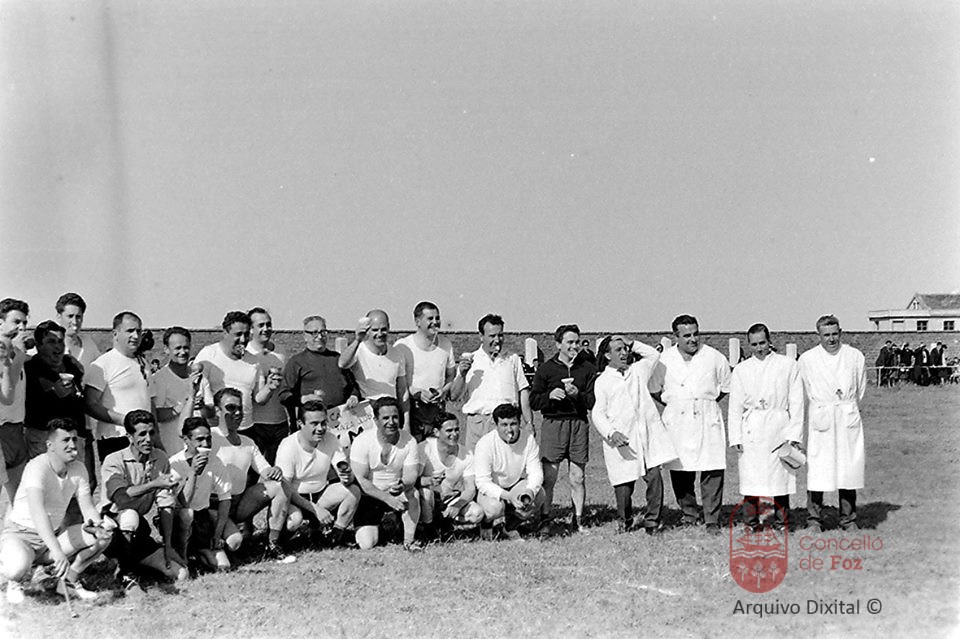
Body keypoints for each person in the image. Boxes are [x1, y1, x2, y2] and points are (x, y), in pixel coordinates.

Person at [0, 418, 112, 604]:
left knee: (102, 537)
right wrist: (57, 552)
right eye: (65, 440)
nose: (72, 445)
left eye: (74, 439)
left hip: (52, 536)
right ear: (50, 445)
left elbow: (87, 507)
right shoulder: (37, 467)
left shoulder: (79, 468)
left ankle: (68, 581)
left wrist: (97, 525)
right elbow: (38, 513)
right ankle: (14, 580)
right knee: (17, 567)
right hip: (21, 535)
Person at [650, 315, 731, 533]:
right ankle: (689, 513)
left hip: (707, 417)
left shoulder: (714, 357)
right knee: (681, 469)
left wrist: (704, 402)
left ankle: (712, 518)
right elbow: (654, 389)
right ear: (676, 336)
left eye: (696, 334)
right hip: (678, 420)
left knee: (712, 467)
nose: (693, 339)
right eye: (687, 335)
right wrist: (677, 403)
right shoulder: (664, 360)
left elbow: (725, 387)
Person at [591, 336, 677, 535]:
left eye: (625, 349)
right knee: (624, 485)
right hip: (623, 440)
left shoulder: (638, 371)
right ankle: (625, 520)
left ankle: (652, 521)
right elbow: (598, 413)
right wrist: (611, 433)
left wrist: (632, 343)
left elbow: (654, 354)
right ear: (607, 355)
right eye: (618, 350)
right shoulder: (603, 381)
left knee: (654, 478)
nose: (624, 353)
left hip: (646, 437)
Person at [100, 410, 188, 592]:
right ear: (129, 437)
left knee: (181, 574)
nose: (148, 439)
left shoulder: (160, 458)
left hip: (136, 530)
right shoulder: (114, 460)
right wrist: (154, 484)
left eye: (151, 433)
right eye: (142, 434)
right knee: (130, 516)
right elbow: (121, 497)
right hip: (109, 527)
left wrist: (168, 545)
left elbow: (165, 505)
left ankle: (129, 561)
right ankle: (126, 573)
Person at [727, 324, 804, 530]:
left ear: (769, 341)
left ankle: (782, 522)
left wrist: (794, 434)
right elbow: (735, 406)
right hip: (752, 429)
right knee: (751, 478)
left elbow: (797, 402)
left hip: (779, 427)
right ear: (748, 345)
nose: (759, 348)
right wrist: (736, 437)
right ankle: (751, 522)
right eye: (754, 345)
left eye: (762, 343)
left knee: (780, 478)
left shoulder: (787, 365)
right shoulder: (742, 369)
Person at [798, 315, 866, 532]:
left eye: (835, 334)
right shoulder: (807, 359)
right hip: (822, 418)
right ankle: (814, 519)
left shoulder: (854, 356)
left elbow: (860, 389)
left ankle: (848, 519)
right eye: (826, 335)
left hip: (846, 415)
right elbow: (802, 392)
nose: (831, 339)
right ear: (818, 335)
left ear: (841, 332)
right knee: (818, 469)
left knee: (848, 468)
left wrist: (845, 406)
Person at [210, 388, 291, 562]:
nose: (237, 413)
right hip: (214, 505)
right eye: (230, 408)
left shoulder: (248, 442)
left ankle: (273, 543)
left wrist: (275, 471)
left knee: (279, 486)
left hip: (238, 503)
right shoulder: (209, 436)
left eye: (240, 408)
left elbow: (265, 470)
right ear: (217, 410)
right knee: (234, 543)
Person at [529, 324, 596, 532]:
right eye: (570, 342)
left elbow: (593, 401)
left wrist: (578, 395)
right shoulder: (546, 369)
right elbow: (533, 401)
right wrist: (549, 396)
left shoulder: (587, 368)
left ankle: (578, 520)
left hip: (578, 424)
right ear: (558, 344)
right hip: (553, 424)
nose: (574, 346)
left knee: (578, 477)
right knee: (549, 477)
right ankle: (545, 519)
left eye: (577, 342)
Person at [195, 311, 280, 459]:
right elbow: (198, 389)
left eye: (246, 334)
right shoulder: (209, 355)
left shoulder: (253, 361)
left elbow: (259, 398)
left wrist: (270, 387)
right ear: (225, 332)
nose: (243, 340)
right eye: (238, 334)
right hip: (216, 431)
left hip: (246, 430)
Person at [275, 399, 359, 547]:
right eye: (314, 424)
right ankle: (280, 541)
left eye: (323, 423)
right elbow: (284, 488)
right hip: (294, 498)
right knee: (294, 521)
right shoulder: (288, 445)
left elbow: (343, 469)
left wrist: (347, 476)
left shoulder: (331, 439)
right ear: (300, 424)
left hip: (320, 494)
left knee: (353, 491)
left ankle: (334, 536)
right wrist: (316, 509)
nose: (320, 428)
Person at [449, 314, 533, 451]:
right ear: (481, 336)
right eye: (492, 336)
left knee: (506, 462)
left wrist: (529, 423)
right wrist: (462, 375)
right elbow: (454, 396)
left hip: (505, 423)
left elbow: (523, 391)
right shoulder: (471, 360)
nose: (497, 340)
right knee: (476, 463)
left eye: (500, 335)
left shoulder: (512, 359)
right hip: (478, 424)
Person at [349, 397, 421, 550]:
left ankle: (409, 541)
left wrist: (403, 485)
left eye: (395, 417)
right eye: (386, 418)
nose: (391, 422)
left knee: (413, 493)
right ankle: (383, 526)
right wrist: (387, 498)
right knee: (366, 544)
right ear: (375, 420)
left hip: (396, 492)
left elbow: (411, 475)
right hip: (370, 496)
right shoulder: (362, 441)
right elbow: (362, 480)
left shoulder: (409, 441)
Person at [84, 311, 155, 461]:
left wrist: (155, 435)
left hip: (144, 438)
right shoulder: (103, 364)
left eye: (138, 331)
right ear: (115, 334)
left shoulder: (143, 363)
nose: (135, 336)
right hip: (115, 439)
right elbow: (90, 404)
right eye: (130, 331)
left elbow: (150, 402)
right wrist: (126, 421)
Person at [473, 404, 546, 540]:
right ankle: (487, 523)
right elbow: (482, 481)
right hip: (493, 488)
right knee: (494, 508)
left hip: (514, 484)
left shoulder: (529, 439)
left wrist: (530, 491)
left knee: (539, 494)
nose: (509, 429)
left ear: (519, 423)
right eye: (504, 425)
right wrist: (508, 496)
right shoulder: (485, 443)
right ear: (496, 425)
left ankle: (509, 527)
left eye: (513, 424)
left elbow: (535, 472)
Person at [169, 417, 233, 571]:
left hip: (202, 518)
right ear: (186, 440)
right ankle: (183, 556)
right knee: (187, 513)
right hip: (178, 519)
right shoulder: (174, 463)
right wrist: (193, 473)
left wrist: (217, 535)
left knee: (224, 565)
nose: (205, 444)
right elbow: (184, 502)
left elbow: (225, 499)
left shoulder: (215, 462)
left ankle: (198, 551)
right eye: (200, 439)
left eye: (208, 439)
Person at [279, 315, 358, 427]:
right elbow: (283, 395)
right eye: (314, 333)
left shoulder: (338, 359)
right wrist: (303, 399)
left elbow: (353, 387)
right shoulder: (296, 362)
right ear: (305, 336)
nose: (319, 337)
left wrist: (354, 396)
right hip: (312, 425)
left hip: (341, 422)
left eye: (323, 332)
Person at [393, 301, 456, 442]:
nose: (435, 322)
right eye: (430, 318)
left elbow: (451, 376)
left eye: (437, 318)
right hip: (411, 412)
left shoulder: (446, 344)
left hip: (437, 412)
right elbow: (397, 382)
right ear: (417, 322)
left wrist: (443, 391)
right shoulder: (403, 346)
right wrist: (416, 393)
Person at [24, 321, 87, 461]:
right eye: (51, 342)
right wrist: (54, 391)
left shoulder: (72, 366)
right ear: (39, 346)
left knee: (75, 475)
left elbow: (81, 400)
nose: (58, 346)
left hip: (74, 438)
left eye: (60, 341)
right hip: (43, 438)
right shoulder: (30, 369)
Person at [338, 310, 410, 431]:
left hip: (390, 414)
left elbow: (402, 391)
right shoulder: (358, 351)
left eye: (383, 329)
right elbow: (342, 363)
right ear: (367, 330)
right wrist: (357, 340)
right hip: (365, 416)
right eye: (375, 330)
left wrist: (406, 423)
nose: (380, 334)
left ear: (389, 327)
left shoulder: (397, 354)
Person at [418, 412, 484, 537]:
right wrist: (429, 481)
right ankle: (428, 529)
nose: (454, 434)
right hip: (427, 497)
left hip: (448, 498)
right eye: (449, 430)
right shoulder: (424, 448)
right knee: (426, 493)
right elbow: (412, 481)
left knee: (477, 513)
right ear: (436, 432)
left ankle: (446, 522)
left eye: (456, 429)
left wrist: (458, 506)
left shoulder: (467, 454)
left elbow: (470, 489)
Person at [244, 307, 289, 464]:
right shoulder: (247, 354)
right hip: (256, 424)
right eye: (261, 325)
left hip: (280, 422)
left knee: (279, 466)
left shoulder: (280, 352)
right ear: (251, 329)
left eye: (268, 324)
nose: (266, 329)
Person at [152, 327, 203, 455]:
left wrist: (204, 407)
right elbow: (156, 414)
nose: (183, 352)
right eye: (178, 348)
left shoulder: (198, 377)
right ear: (166, 349)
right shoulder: (159, 379)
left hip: (198, 449)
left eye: (186, 347)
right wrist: (183, 406)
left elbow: (211, 412)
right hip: (172, 448)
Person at [0, 298, 30, 503]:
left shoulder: (17, 353)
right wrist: (15, 359)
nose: (21, 328)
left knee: (19, 499)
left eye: (24, 323)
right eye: (16, 322)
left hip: (16, 430)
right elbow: (6, 397)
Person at [55, 293, 102, 372]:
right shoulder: (49, 346)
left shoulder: (88, 344)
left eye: (78, 317)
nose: (75, 322)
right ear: (59, 317)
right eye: (70, 316)